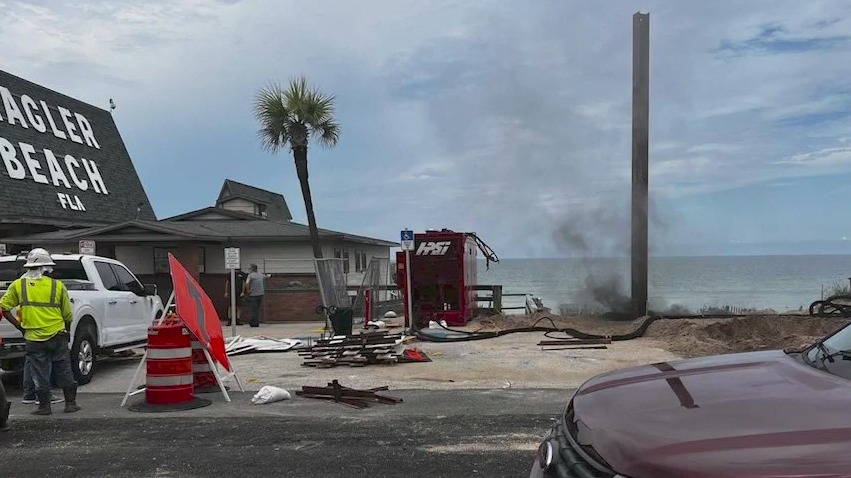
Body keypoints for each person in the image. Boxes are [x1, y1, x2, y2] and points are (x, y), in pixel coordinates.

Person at [0, 248, 81, 415]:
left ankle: (44, 407)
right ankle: (70, 403)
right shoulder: (57, 285)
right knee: (64, 369)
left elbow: (4, 307)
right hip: (58, 335)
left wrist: (18, 326)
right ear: (46, 268)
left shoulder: (18, 285)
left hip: (34, 338)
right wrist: (68, 332)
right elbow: (67, 314)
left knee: (39, 372)